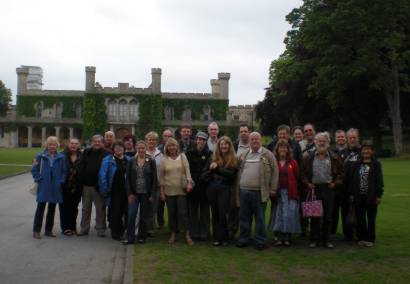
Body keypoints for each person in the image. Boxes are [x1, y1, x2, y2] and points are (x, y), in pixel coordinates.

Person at [236, 132, 279, 250]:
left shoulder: (268, 154)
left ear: (261, 140)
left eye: (256, 139)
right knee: (244, 217)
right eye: (252, 139)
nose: (254, 141)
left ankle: (260, 240)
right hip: (244, 191)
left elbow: (275, 172)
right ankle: (244, 238)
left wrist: (273, 188)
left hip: (259, 192)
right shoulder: (244, 154)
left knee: (260, 218)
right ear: (249, 141)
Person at [302, 132, 343, 248]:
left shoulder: (334, 157)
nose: (321, 143)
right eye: (319, 141)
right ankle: (314, 240)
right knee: (314, 216)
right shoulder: (308, 156)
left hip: (328, 188)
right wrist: (308, 183)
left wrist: (335, 183)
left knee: (328, 216)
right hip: (314, 189)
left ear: (328, 143)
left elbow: (341, 172)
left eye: (323, 141)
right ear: (315, 142)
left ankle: (327, 240)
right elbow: (302, 173)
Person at [348, 140, 384, 247]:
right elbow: (352, 180)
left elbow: (379, 181)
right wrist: (351, 194)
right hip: (359, 196)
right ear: (361, 151)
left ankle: (370, 239)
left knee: (371, 219)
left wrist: (379, 195)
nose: (366, 151)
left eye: (368, 149)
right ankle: (361, 237)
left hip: (371, 196)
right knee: (360, 218)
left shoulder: (376, 164)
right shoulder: (356, 164)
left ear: (372, 151)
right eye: (364, 149)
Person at [159, 138, 194, 246]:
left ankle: (187, 234)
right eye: (169, 146)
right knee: (172, 213)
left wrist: (189, 183)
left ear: (177, 146)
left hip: (181, 190)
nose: (172, 147)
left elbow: (188, 171)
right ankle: (173, 233)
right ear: (167, 148)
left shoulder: (183, 157)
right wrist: (162, 192)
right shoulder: (164, 160)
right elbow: (161, 178)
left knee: (183, 213)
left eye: (173, 145)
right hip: (169, 191)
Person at [204, 136, 237, 246]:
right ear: (218, 146)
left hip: (225, 188)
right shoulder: (213, 157)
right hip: (213, 188)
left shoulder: (233, 158)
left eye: (226, 144)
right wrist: (211, 169)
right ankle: (216, 238)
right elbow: (205, 172)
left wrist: (217, 169)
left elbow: (231, 175)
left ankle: (225, 237)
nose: (223, 146)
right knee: (215, 213)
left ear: (229, 145)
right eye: (221, 144)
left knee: (223, 214)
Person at [31, 136, 67, 239]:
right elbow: (34, 170)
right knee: (40, 209)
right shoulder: (40, 156)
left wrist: (61, 181)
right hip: (44, 186)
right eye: (50, 144)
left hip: (55, 187)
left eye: (54, 144)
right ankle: (36, 230)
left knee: (52, 209)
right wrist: (39, 179)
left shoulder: (61, 157)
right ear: (47, 145)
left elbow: (64, 172)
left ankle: (48, 230)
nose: (52, 146)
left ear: (57, 146)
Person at [123, 141, 158, 245]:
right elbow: (127, 179)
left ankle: (142, 237)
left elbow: (154, 180)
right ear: (136, 149)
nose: (141, 150)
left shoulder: (151, 161)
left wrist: (152, 195)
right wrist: (129, 193)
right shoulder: (131, 161)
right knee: (131, 215)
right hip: (134, 193)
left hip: (146, 194)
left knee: (144, 216)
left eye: (143, 148)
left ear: (146, 149)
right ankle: (130, 237)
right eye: (139, 148)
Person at [268, 139, 301, 246]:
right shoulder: (274, 161)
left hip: (290, 193)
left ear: (288, 150)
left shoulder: (293, 162)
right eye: (280, 147)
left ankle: (287, 237)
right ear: (277, 149)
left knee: (289, 214)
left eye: (285, 147)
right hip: (277, 193)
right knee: (278, 214)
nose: (282, 149)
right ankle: (278, 237)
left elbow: (297, 177)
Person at [78, 134, 111, 237]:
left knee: (100, 209)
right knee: (85, 209)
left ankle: (100, 229)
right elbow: (81, 165)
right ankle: (84, 229)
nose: (97, 143)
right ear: (91, 142)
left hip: (99, 186)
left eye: (99, 141)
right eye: (95, 141)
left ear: (103, 143)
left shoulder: (107, 153)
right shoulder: (86, 152)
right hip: (86, 186)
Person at [99, 140, 130, 240]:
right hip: (114, 190)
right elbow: (102, 175)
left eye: (120, 147)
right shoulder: (107, 160)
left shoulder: (129, 160)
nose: (118, 149)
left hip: (126, 191)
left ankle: (124, 230)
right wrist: (105, 189)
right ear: (113, 149)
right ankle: (116, 232)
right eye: (116, 147)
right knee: (115, 212)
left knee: (126, 211)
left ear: (124, 149)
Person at [186, 131, 212, 241]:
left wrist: (204, 177)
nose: (200, 141)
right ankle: (194, 233)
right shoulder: (189, 153)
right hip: (193, 185)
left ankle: (204, 233)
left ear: (206, 142)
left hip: (205, 185)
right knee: (193, 211)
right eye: (199, 139)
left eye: (203, 140)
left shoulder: (210, 153)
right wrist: (190, 181)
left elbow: (210, 169)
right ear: (196, 140)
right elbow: (187, 170)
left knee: (205, 211)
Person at [59, 138, 82, 236]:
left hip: (77, 186)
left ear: (78, 145)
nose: (74, 145)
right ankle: (65, 228)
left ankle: (73, 227)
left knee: (74, 208)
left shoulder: (81, 156)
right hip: (65, 185)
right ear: (68, 144)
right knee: (64, 207)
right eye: (72, 143)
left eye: (76, 144)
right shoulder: (62, 155)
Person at [342, 128, 361, 241]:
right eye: (350, 138)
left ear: (358, 138)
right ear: (347, 139)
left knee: (359, 213)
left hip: (359, 188)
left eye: (354, 137)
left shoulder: (363, 152)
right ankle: (347, 235)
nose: (352, 140)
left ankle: (359, 234)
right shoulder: (343, 153)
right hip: (345, 189)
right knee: (345, 212)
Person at [331, 130, 348, 235]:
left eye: (342, 137)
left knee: (346, 211)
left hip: (346, 187)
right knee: (333, 211)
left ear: (345, 138)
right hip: (334, 187)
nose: (340, 139)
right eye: (338, 137)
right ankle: (332, 232)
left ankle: (348, 233)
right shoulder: (331, 151)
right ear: (335, 139)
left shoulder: (349, 151)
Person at [145, 131, 163, 233]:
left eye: (154, 139)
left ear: (157, 141)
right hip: (144, 185)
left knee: (153, 207)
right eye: (150, 139)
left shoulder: (160, 154)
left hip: (156, 185)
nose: (151, 141)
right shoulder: (141, 152)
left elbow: (162, 171)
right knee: (144, 207)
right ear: (146, 141)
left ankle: (150, 228)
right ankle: (143, 227)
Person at [157, 128, 173, 227]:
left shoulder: (174, 148)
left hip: (170, 180)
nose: (167, 138)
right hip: (161, 180)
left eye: (169, 136)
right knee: (160, 204)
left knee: (171, 204)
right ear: (163, 137)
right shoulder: (158, 149)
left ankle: (172, 224)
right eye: (165, 136)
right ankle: (160, 222)